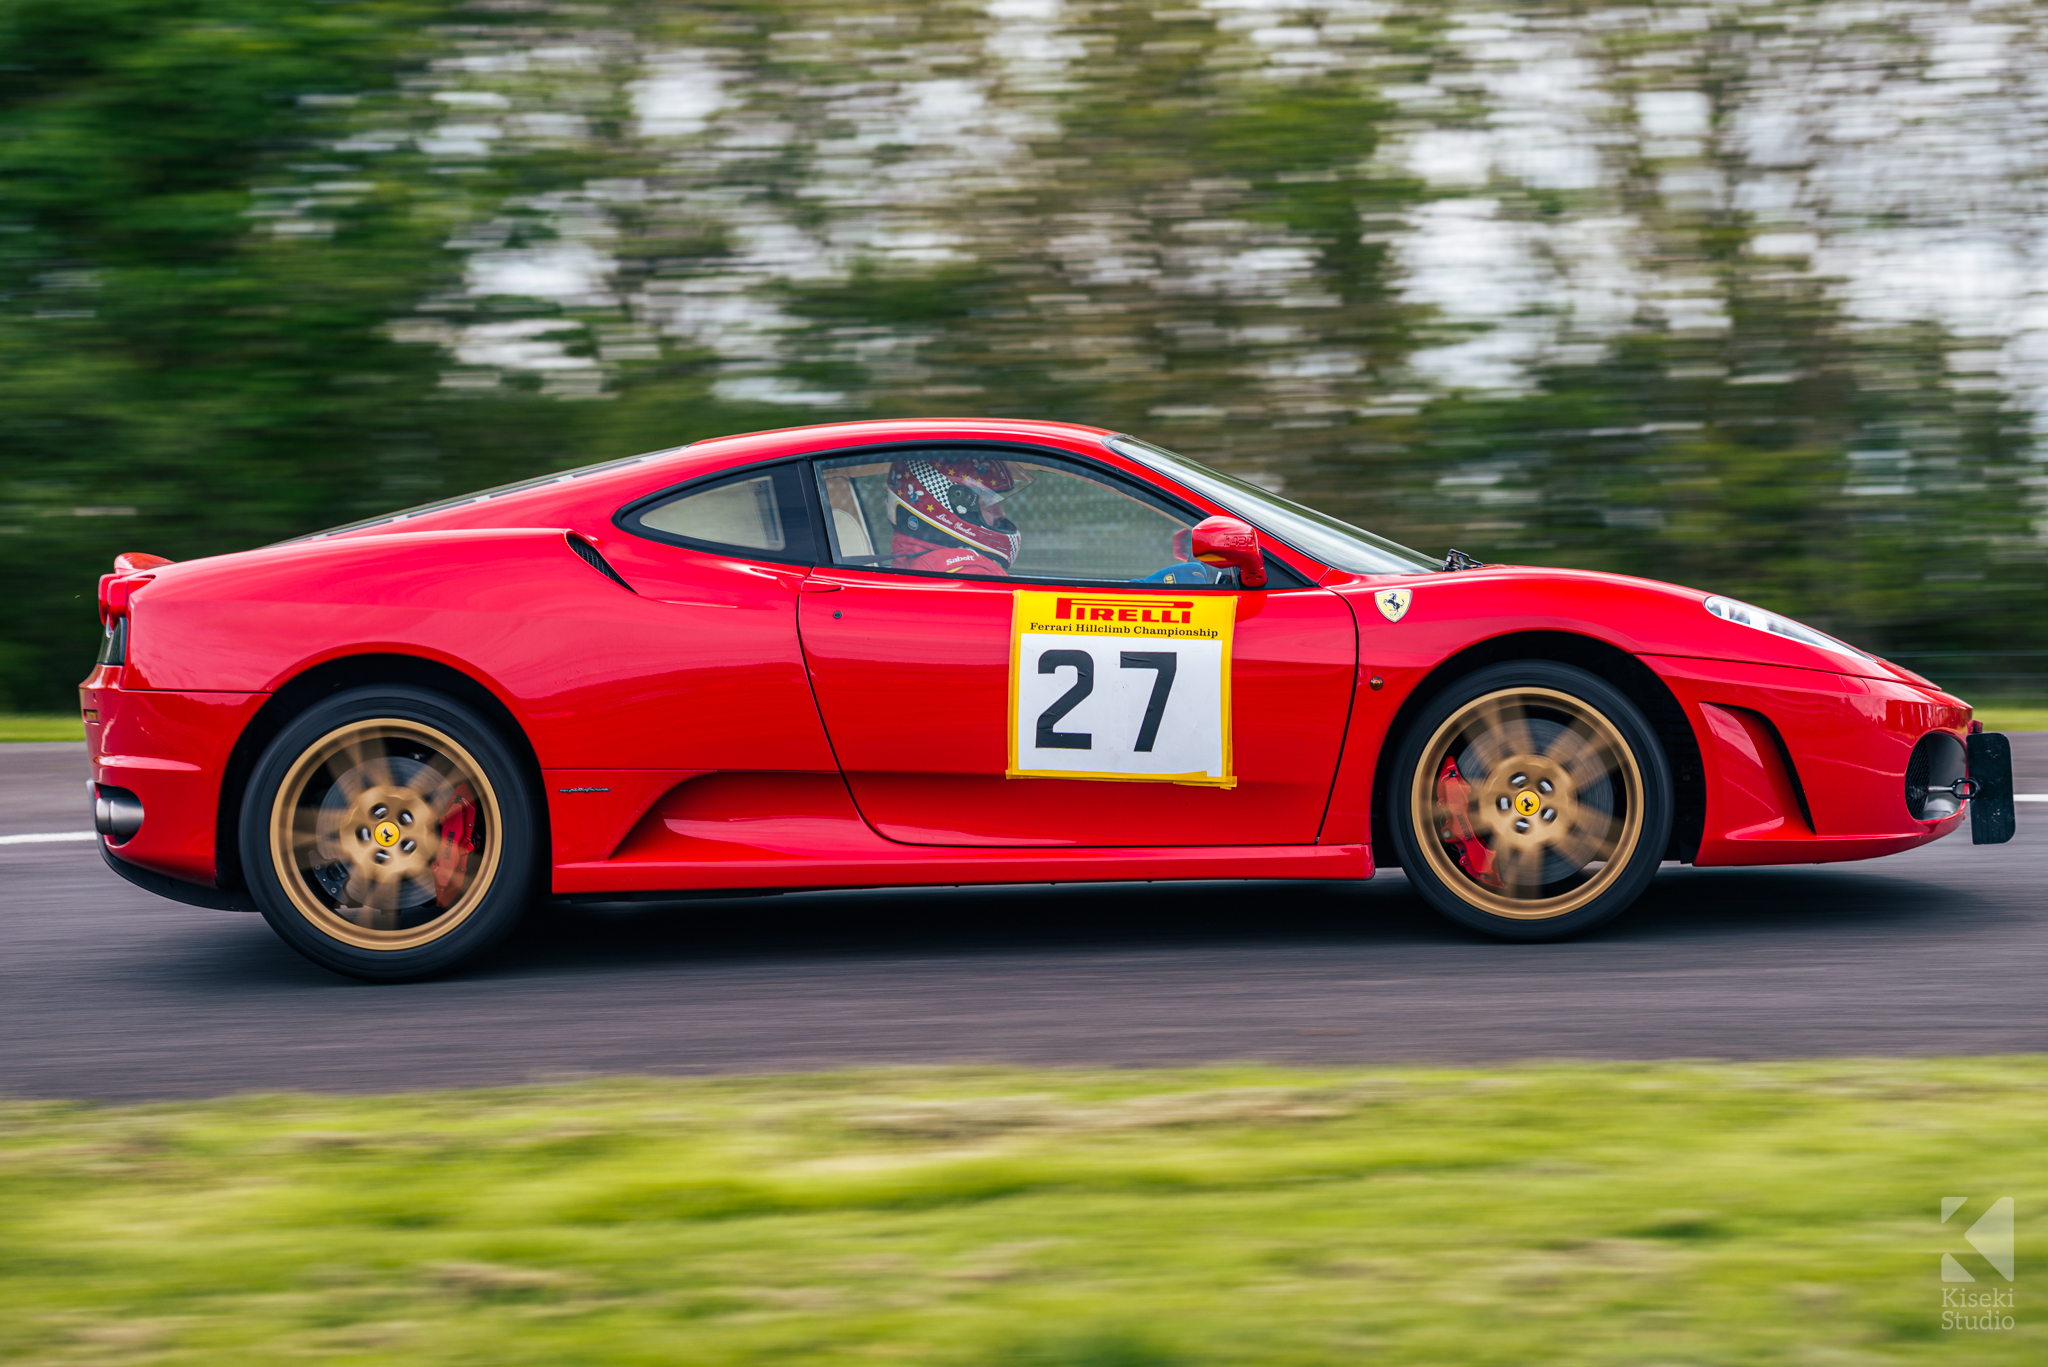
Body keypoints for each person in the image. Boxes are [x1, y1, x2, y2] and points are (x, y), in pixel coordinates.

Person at [886, 456, 1030, 574]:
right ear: (949, 509)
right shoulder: (971, 574)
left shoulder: (912, 562)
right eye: (988, 503)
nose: (1001, 513)